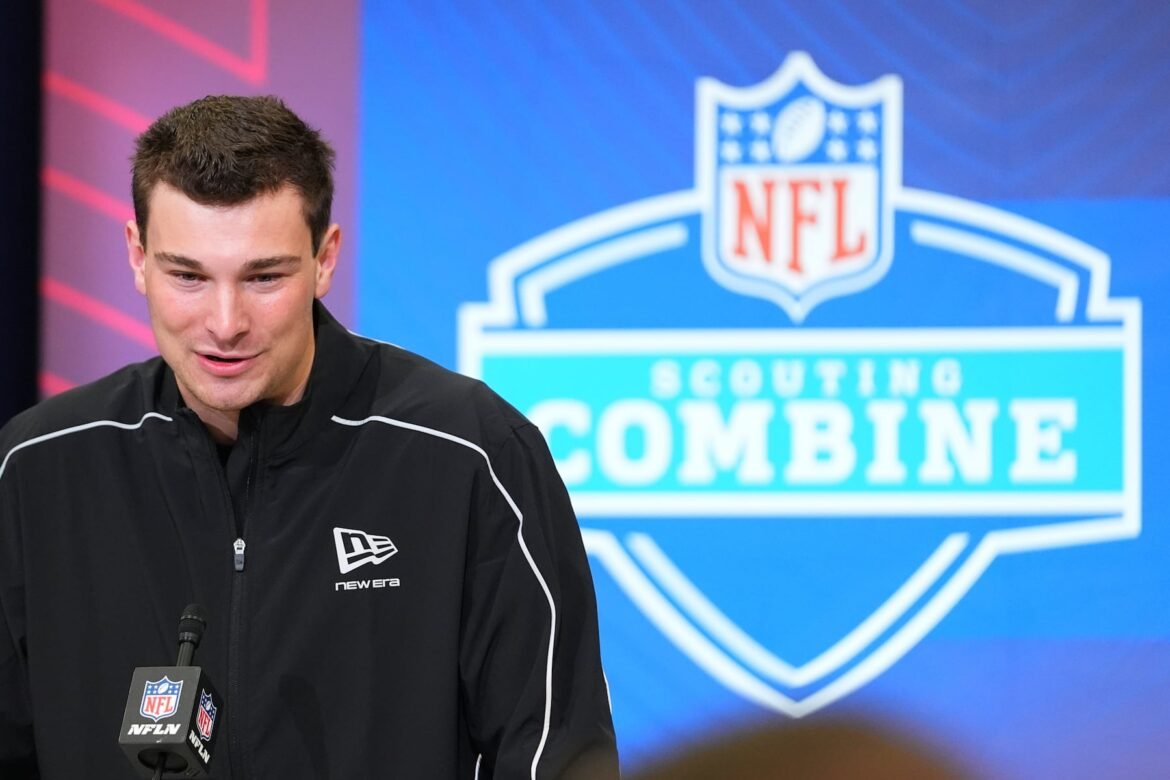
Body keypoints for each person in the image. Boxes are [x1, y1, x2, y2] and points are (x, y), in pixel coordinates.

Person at [0, 95, 618, 779]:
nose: (225, 322)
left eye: (264, 277)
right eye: (188, 276)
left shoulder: (471, 454)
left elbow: (558, 756)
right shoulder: (38, 467)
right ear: (137, 256)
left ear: (325, 260)